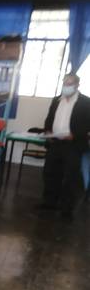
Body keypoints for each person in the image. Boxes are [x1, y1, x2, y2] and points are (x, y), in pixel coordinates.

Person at [39, 73, 90, 218]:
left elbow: (88, 125)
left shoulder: (86, 102)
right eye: (64, 83)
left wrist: (75, 135)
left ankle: (66, 209)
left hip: (73, 145)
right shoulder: (56, 100)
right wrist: (48, 130)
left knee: (70, 177)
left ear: (77, 85)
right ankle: (49, 202)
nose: (66, 86)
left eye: (69, 84)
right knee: (50, 173)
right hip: (55, 143)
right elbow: (49, 119)